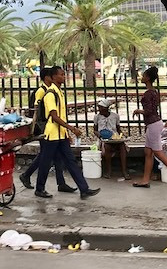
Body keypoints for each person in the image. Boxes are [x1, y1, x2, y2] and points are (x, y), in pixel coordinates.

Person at [34, 66, 100, 200]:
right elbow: (54, 116)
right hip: (51, 135)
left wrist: (66, 133)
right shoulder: (50, 94)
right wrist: (71, 128)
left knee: (70, 161)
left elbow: (61, 116)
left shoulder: (59, 93)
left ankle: (84, 189)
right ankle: (39, 189)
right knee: (46, 162)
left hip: (61, 134)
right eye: (61, 75)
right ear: (53, 77)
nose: (64, 77)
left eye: (64, 74)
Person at [19, 67, 76, 193]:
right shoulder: (42, 91)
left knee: (54, 157)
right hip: (45, 128)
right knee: (45, 156)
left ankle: (60, 183)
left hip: (53, 129)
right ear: (47, 78)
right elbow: (37, 112)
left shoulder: (53, 91)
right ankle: (27, 175)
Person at [132, 66, 167, 191]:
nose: (142, 77)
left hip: (152, 125)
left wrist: (139, 111)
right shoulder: (154, 91)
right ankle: (145, 180)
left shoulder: (148, 93)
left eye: (144, 76)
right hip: (154, 124)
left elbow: (149, 111)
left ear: (148, 78)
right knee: (148, 152)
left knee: (158, 152)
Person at [93, 99, 130, 180]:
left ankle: (124, 171)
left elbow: (118, 129)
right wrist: (99, 135)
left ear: (106, 108)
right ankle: (109, 170)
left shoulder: (115, 116)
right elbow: (95, 130)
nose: (99, 109)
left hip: (115, 138)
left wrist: (123, 136)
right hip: (104, 139)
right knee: (107, 146)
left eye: (101, 108)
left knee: (122, 147)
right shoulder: (97, 117)